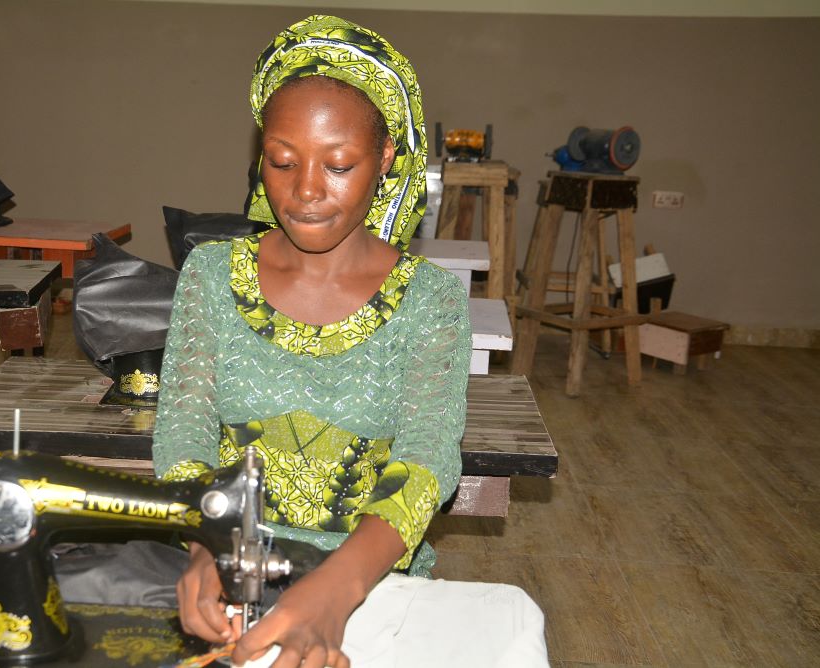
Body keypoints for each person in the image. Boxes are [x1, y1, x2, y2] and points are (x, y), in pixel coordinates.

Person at [152, 15, 545, 668]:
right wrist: (205, 550)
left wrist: (333, 594)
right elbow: (183, 434)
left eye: (338, 165)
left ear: (386, 160)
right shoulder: (212, 276)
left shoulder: (431, 302)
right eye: (282, 162)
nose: (306, 190)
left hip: (372, 588)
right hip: (230, 573)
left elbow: (424, 466)